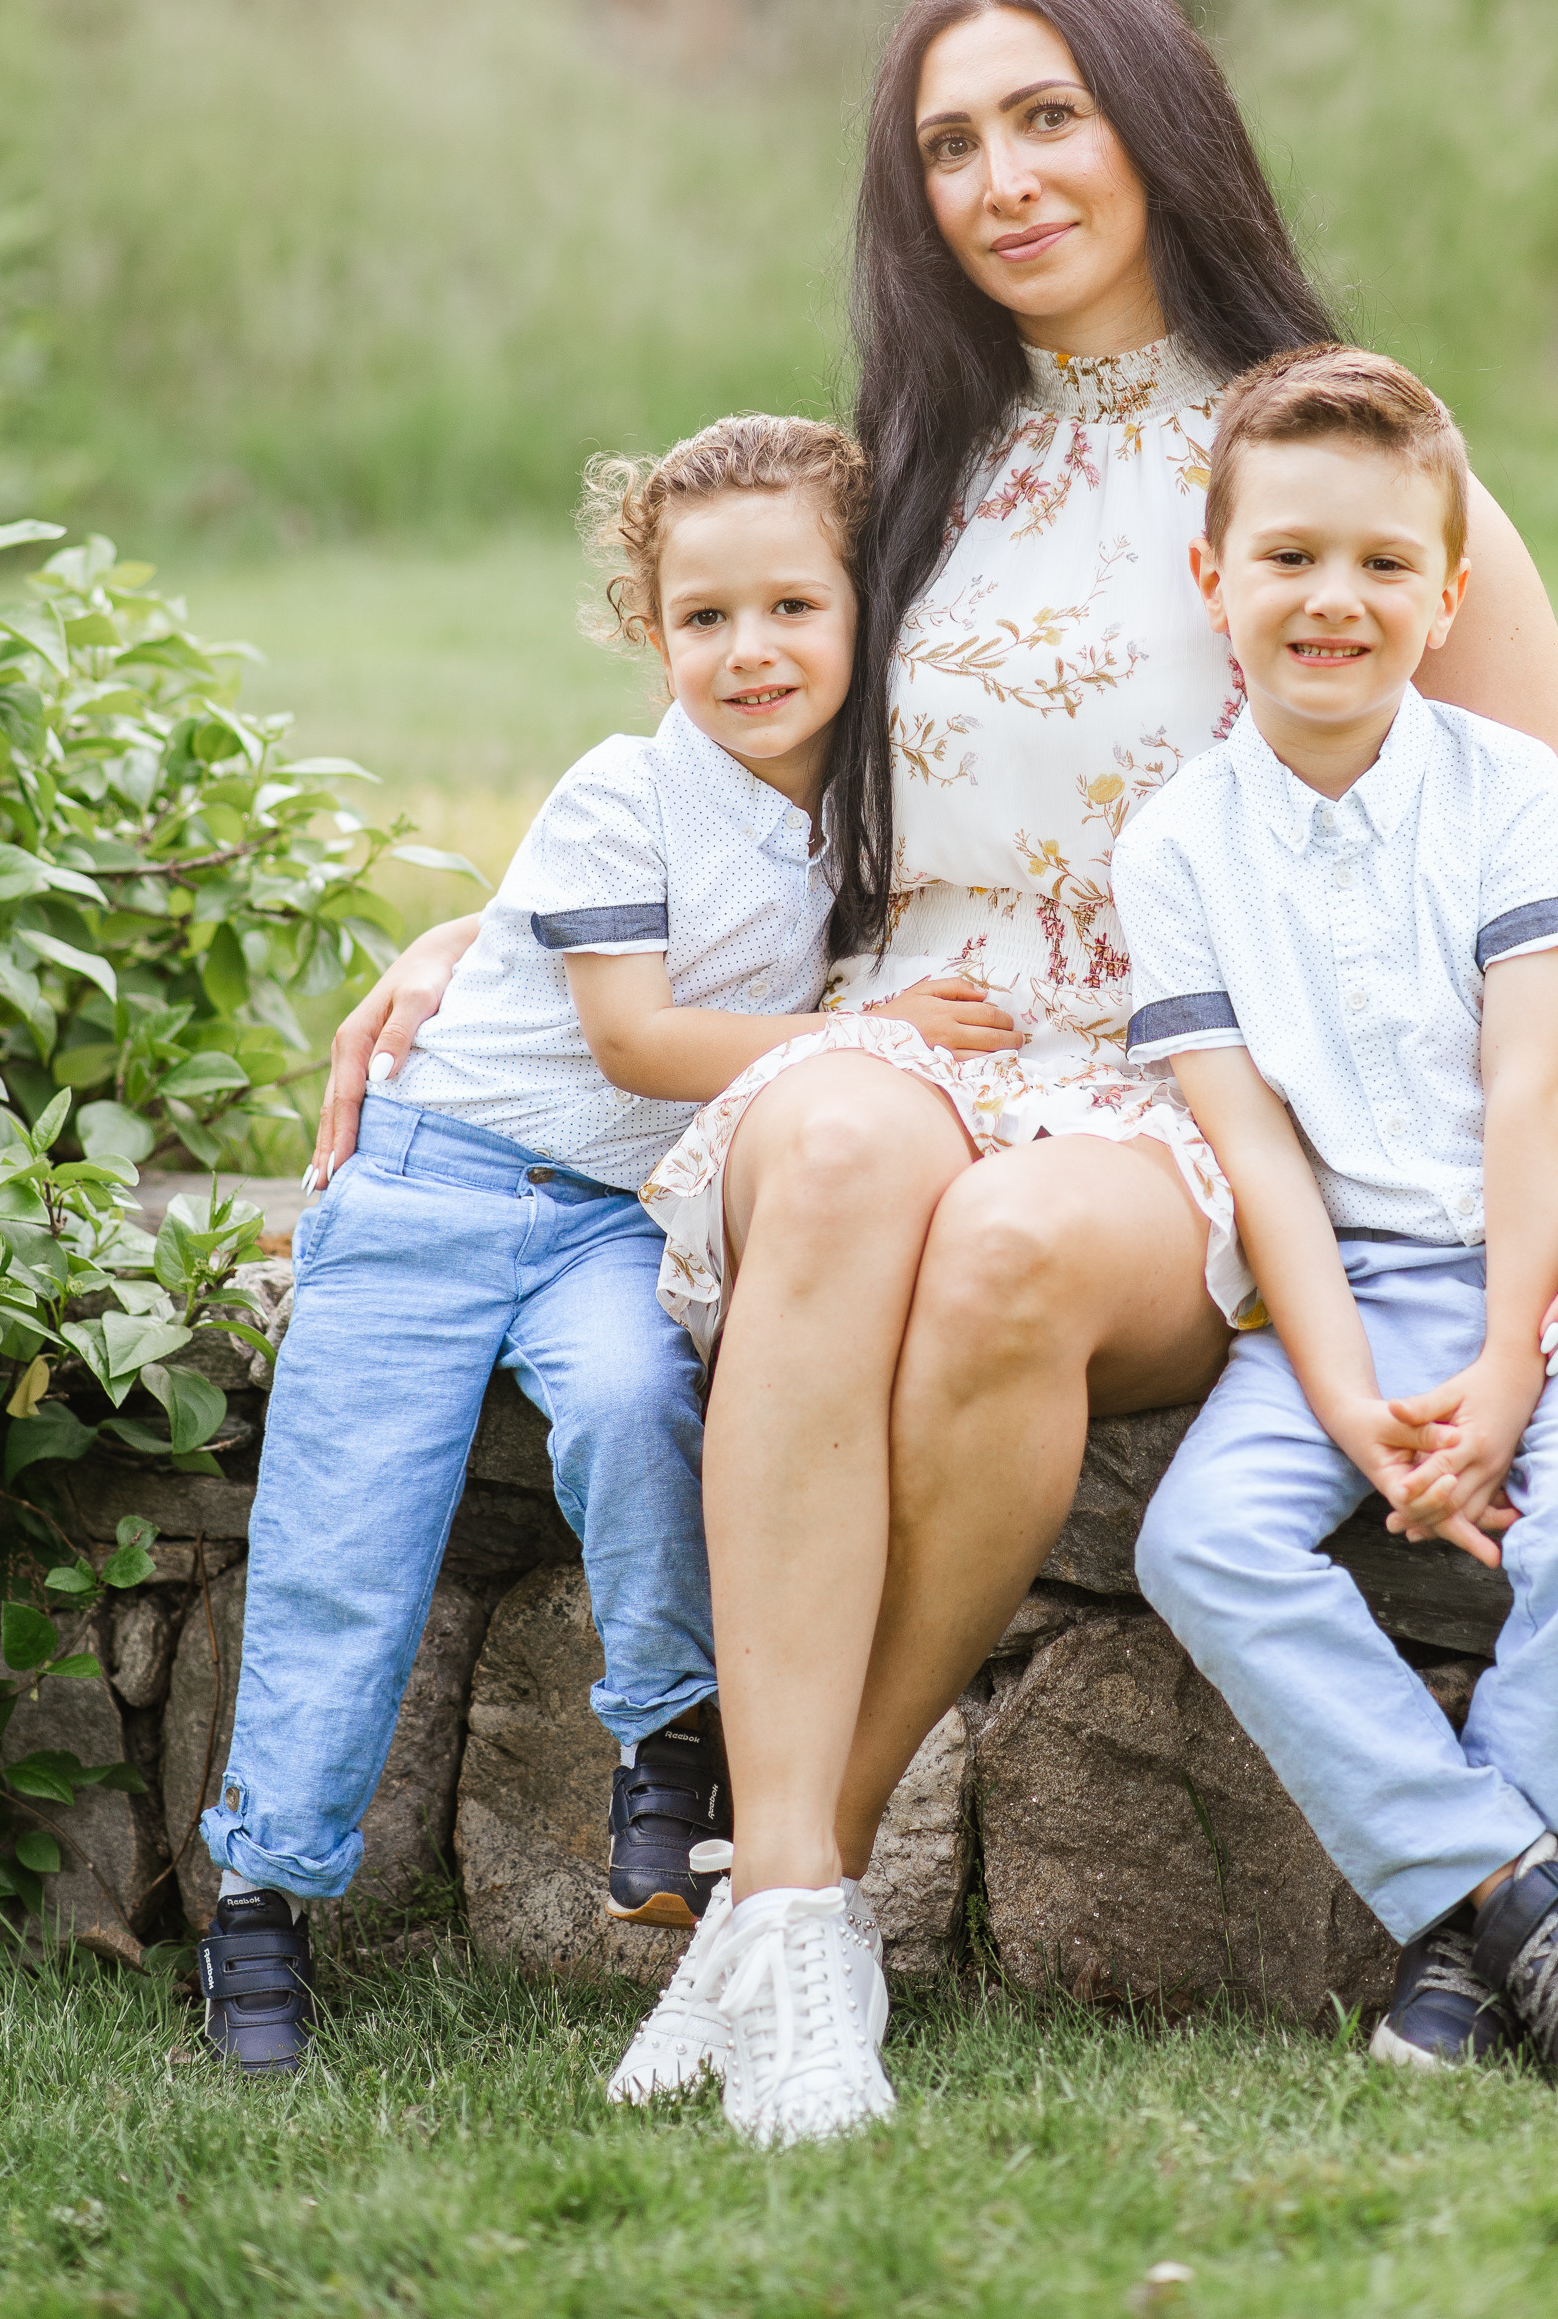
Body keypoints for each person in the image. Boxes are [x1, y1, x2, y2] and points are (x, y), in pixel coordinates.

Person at [317, 0, 1558, 2141]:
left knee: (1001, 1258)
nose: (1002, 177)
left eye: (1046, 114)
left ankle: (785, 1885)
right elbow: (731, 714)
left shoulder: (1324, 454)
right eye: (949, 141)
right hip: (921, 1024)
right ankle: (796, 1924)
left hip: (1202, 1090)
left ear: (1158, 121)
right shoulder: (916, 463)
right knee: (849, 1152)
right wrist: (491, 936)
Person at [197, 413, 1005, 2073]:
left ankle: (663, 1753)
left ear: (868, 606)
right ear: (650, 632)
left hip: (600, 1229)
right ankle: (259, 1904)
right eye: (703, 619)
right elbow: (635, 1043)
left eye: (794, 606)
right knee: (345, 1540)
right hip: (432, 1189)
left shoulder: (874, 808)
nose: (751, 650)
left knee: (645, 1413)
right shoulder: (622, 791)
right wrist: (875, 1043)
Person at [1112, 344, 1558, 2089]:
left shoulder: (1504, 794)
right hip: (1351, 1282)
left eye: (1385, 565)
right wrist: (1358, 1409)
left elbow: (1535, 1102)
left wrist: (1513, 1395)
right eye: (1291, 556)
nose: (1334, 600)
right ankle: (1530, 1881)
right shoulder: (1176, 850)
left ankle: (1459, 1938)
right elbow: (1260, 1162)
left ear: (1450, 595)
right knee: (1201, 1542)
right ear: (1211, 576)